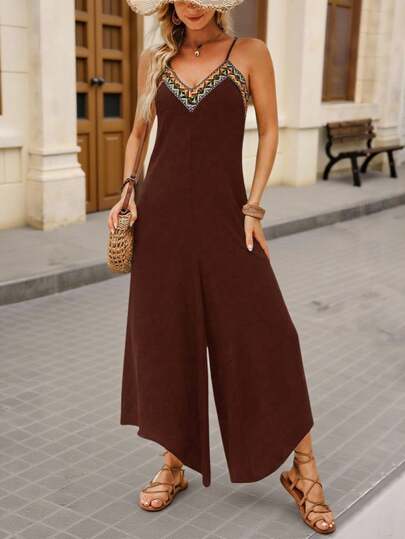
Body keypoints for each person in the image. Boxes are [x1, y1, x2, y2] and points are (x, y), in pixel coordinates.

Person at [108, 0, 336, 534]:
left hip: (228, 221)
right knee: (169, 341)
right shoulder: (155, 59)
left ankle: (303, 470)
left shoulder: (249, 52)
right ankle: (172, 465)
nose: (190, 3)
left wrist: (253, 208)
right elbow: (139, 133)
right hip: (161, 223)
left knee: (272, 336)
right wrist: (127, 189)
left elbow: (271, 130)